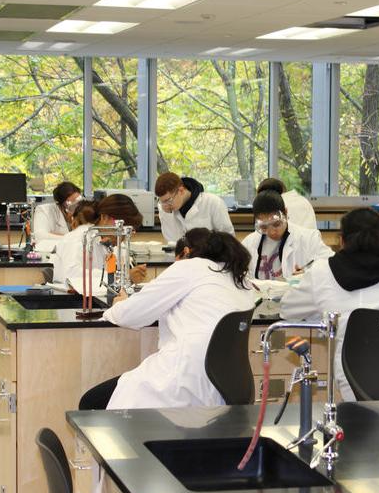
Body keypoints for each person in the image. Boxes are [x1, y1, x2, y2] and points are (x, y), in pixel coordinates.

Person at [80, 229, 255, 410]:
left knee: (91, 404)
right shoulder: (240, 279)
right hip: (228, 385)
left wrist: (119, 304)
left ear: (186, 252)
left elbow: (131, 314)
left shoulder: (190, 267)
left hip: (184, 381)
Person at [280, 208, 379, 402]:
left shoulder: (322, 271)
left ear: (341, 240)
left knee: (359, 425)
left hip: (350, 373)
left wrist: (324, 314)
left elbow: (288, 309)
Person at [52, 195, 145, 284]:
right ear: (104, 217)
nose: (122, 238)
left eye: (127, 232)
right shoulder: (79, 238)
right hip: (70, 299)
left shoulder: (105, 242)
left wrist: (126, 275)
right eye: (120, 228)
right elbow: (71, 275)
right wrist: (121, 277)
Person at [242, 190, 333, 279]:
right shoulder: (249, 243)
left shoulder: (309, 238)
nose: (272, 232)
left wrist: (309, 273)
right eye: (264, 227)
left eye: (276, 224)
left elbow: (330, 264)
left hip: (297, 293)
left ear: (285, 212)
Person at [155, 172, 234, 242]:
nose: (165, 205)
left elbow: (229, 241)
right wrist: (168, 215)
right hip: (181, 257)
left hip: (210, 257)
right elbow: (172, 242)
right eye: (162, 201)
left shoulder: (213, 203)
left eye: (169, 200)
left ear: (181, 191)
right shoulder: (165, 210)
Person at [32, 181, 82, 249]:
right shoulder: (44, 210)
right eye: (72, 203)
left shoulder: (82, 212)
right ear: (62, 203)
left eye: (78, 201)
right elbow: (40, 236)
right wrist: (71, 237)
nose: (76, 206)